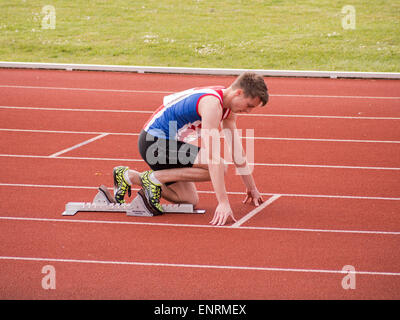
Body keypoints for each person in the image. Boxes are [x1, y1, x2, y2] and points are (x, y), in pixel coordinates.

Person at [113, 72, 269, 226]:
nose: (248, 111)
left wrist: (251, 188)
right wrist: (222, 202)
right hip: (154, 142)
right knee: (219, 166)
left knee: (188, 200)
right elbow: (213, 158)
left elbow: (236, 150)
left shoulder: (228, 108)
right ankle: (154, 179)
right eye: (249, 105)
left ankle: (130, 176)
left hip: (168, 145)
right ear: (238, 93)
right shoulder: (212, 104)